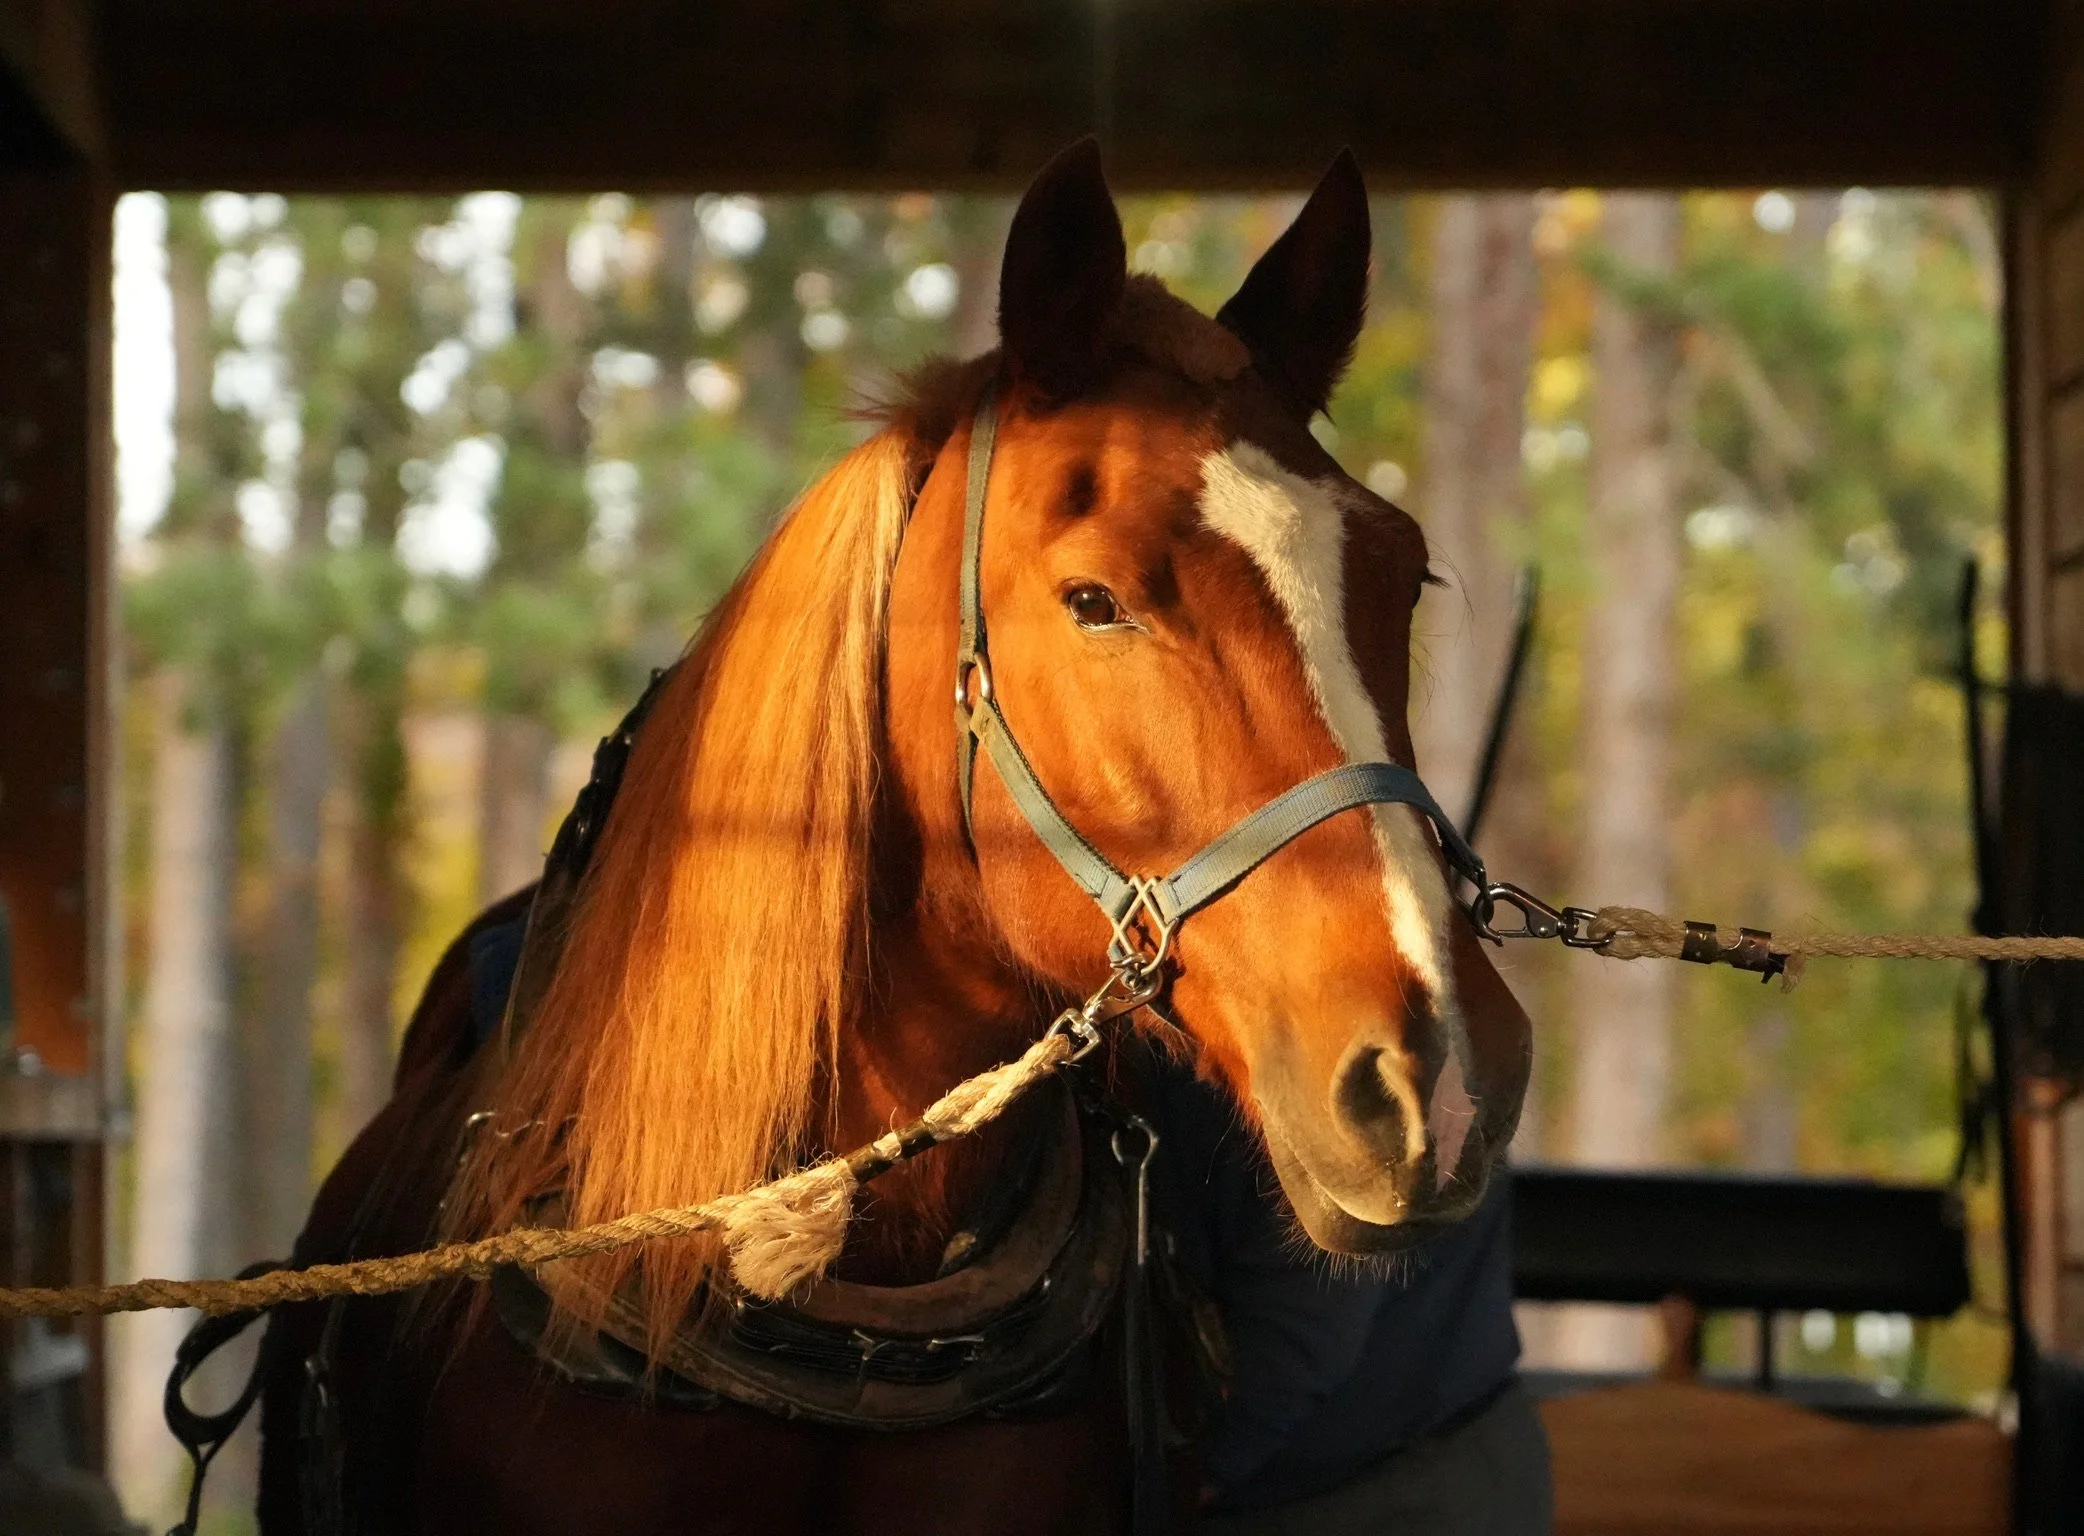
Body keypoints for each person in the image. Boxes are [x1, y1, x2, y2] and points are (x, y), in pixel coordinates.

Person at [1144, 1063, 1553, 1534]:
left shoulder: (1299, 1050)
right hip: (1434, 1452)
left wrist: (1174, 1488)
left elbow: (1300, 1333)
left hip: (1375, 1493)